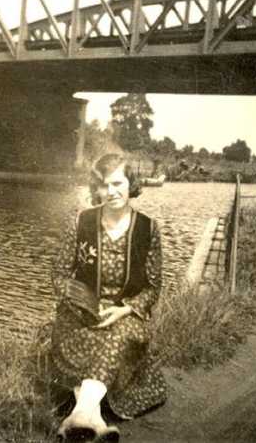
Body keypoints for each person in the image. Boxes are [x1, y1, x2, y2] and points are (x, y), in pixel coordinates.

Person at [50, 153, 167, 441]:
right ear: (96, 188)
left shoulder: (148, 229)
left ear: (131, 184)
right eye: (103, 185)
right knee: (87, 337)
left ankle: (79, 417)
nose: (110, 192)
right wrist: (81, 302)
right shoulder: (81, 222)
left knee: (118, 336)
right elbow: (59, 273)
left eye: (118, 183)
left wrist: (124, 310)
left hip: (124, 316)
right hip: (81, 314)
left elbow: (153, 287)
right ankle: (96, 423)